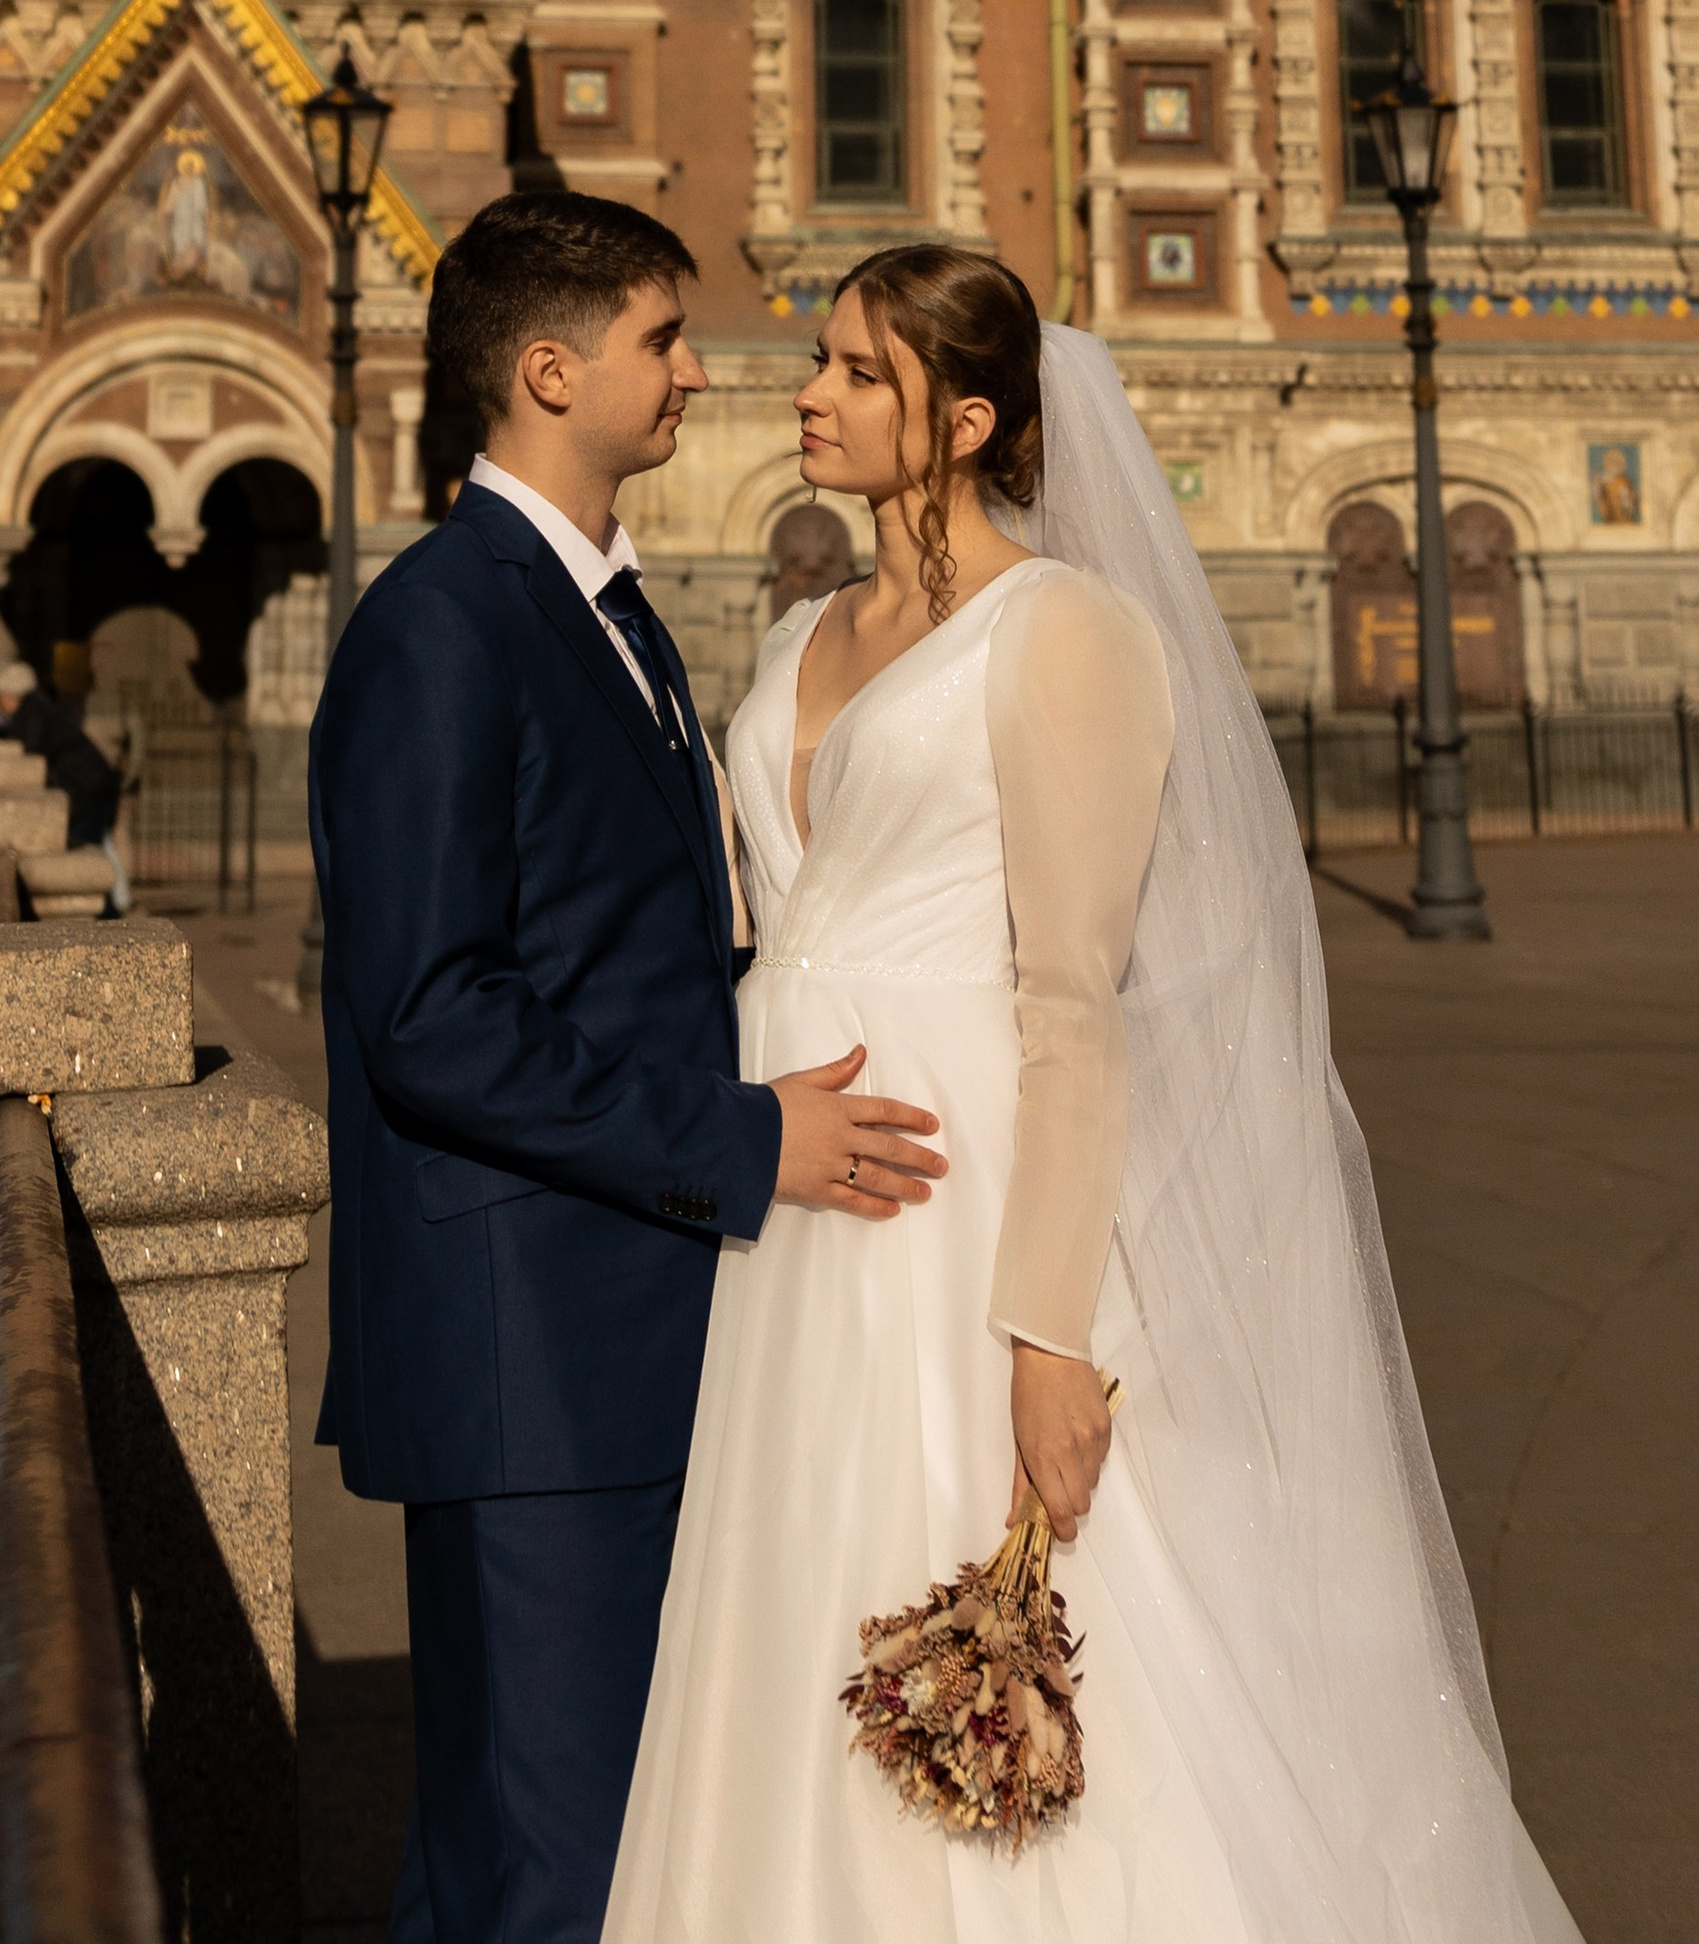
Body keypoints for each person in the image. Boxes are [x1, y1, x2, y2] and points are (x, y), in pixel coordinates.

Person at [607, 241, 1584, 1943]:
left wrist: (1052, 1337)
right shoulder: (799, 630)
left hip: (959, 1197)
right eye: (821, 363)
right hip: (788, 1194)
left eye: (856, 372)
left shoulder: (1064, 634)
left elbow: (1073, 1005)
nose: (809, 394)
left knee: (988, 1608)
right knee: (785, 1604)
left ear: (965, 418)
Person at [310, 192, 948, 1944]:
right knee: (553, 1867)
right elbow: (430, 1012)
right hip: (537, 1354)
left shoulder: (607, 613)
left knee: (560, 1852)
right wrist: (745, 1144)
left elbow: (646, 943)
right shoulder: (443, 624)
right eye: (661, 339)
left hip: (621, 1322)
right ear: (544, 369)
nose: (696, 369)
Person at [0, 660, 122, 872]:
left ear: (10, 696)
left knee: (86, 850)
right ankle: (117, 899)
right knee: (97, 847)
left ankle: (111, 903)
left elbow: (29, 752)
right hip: (91, 786)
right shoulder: (37, 708)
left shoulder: (33, 712)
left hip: (85, 788)